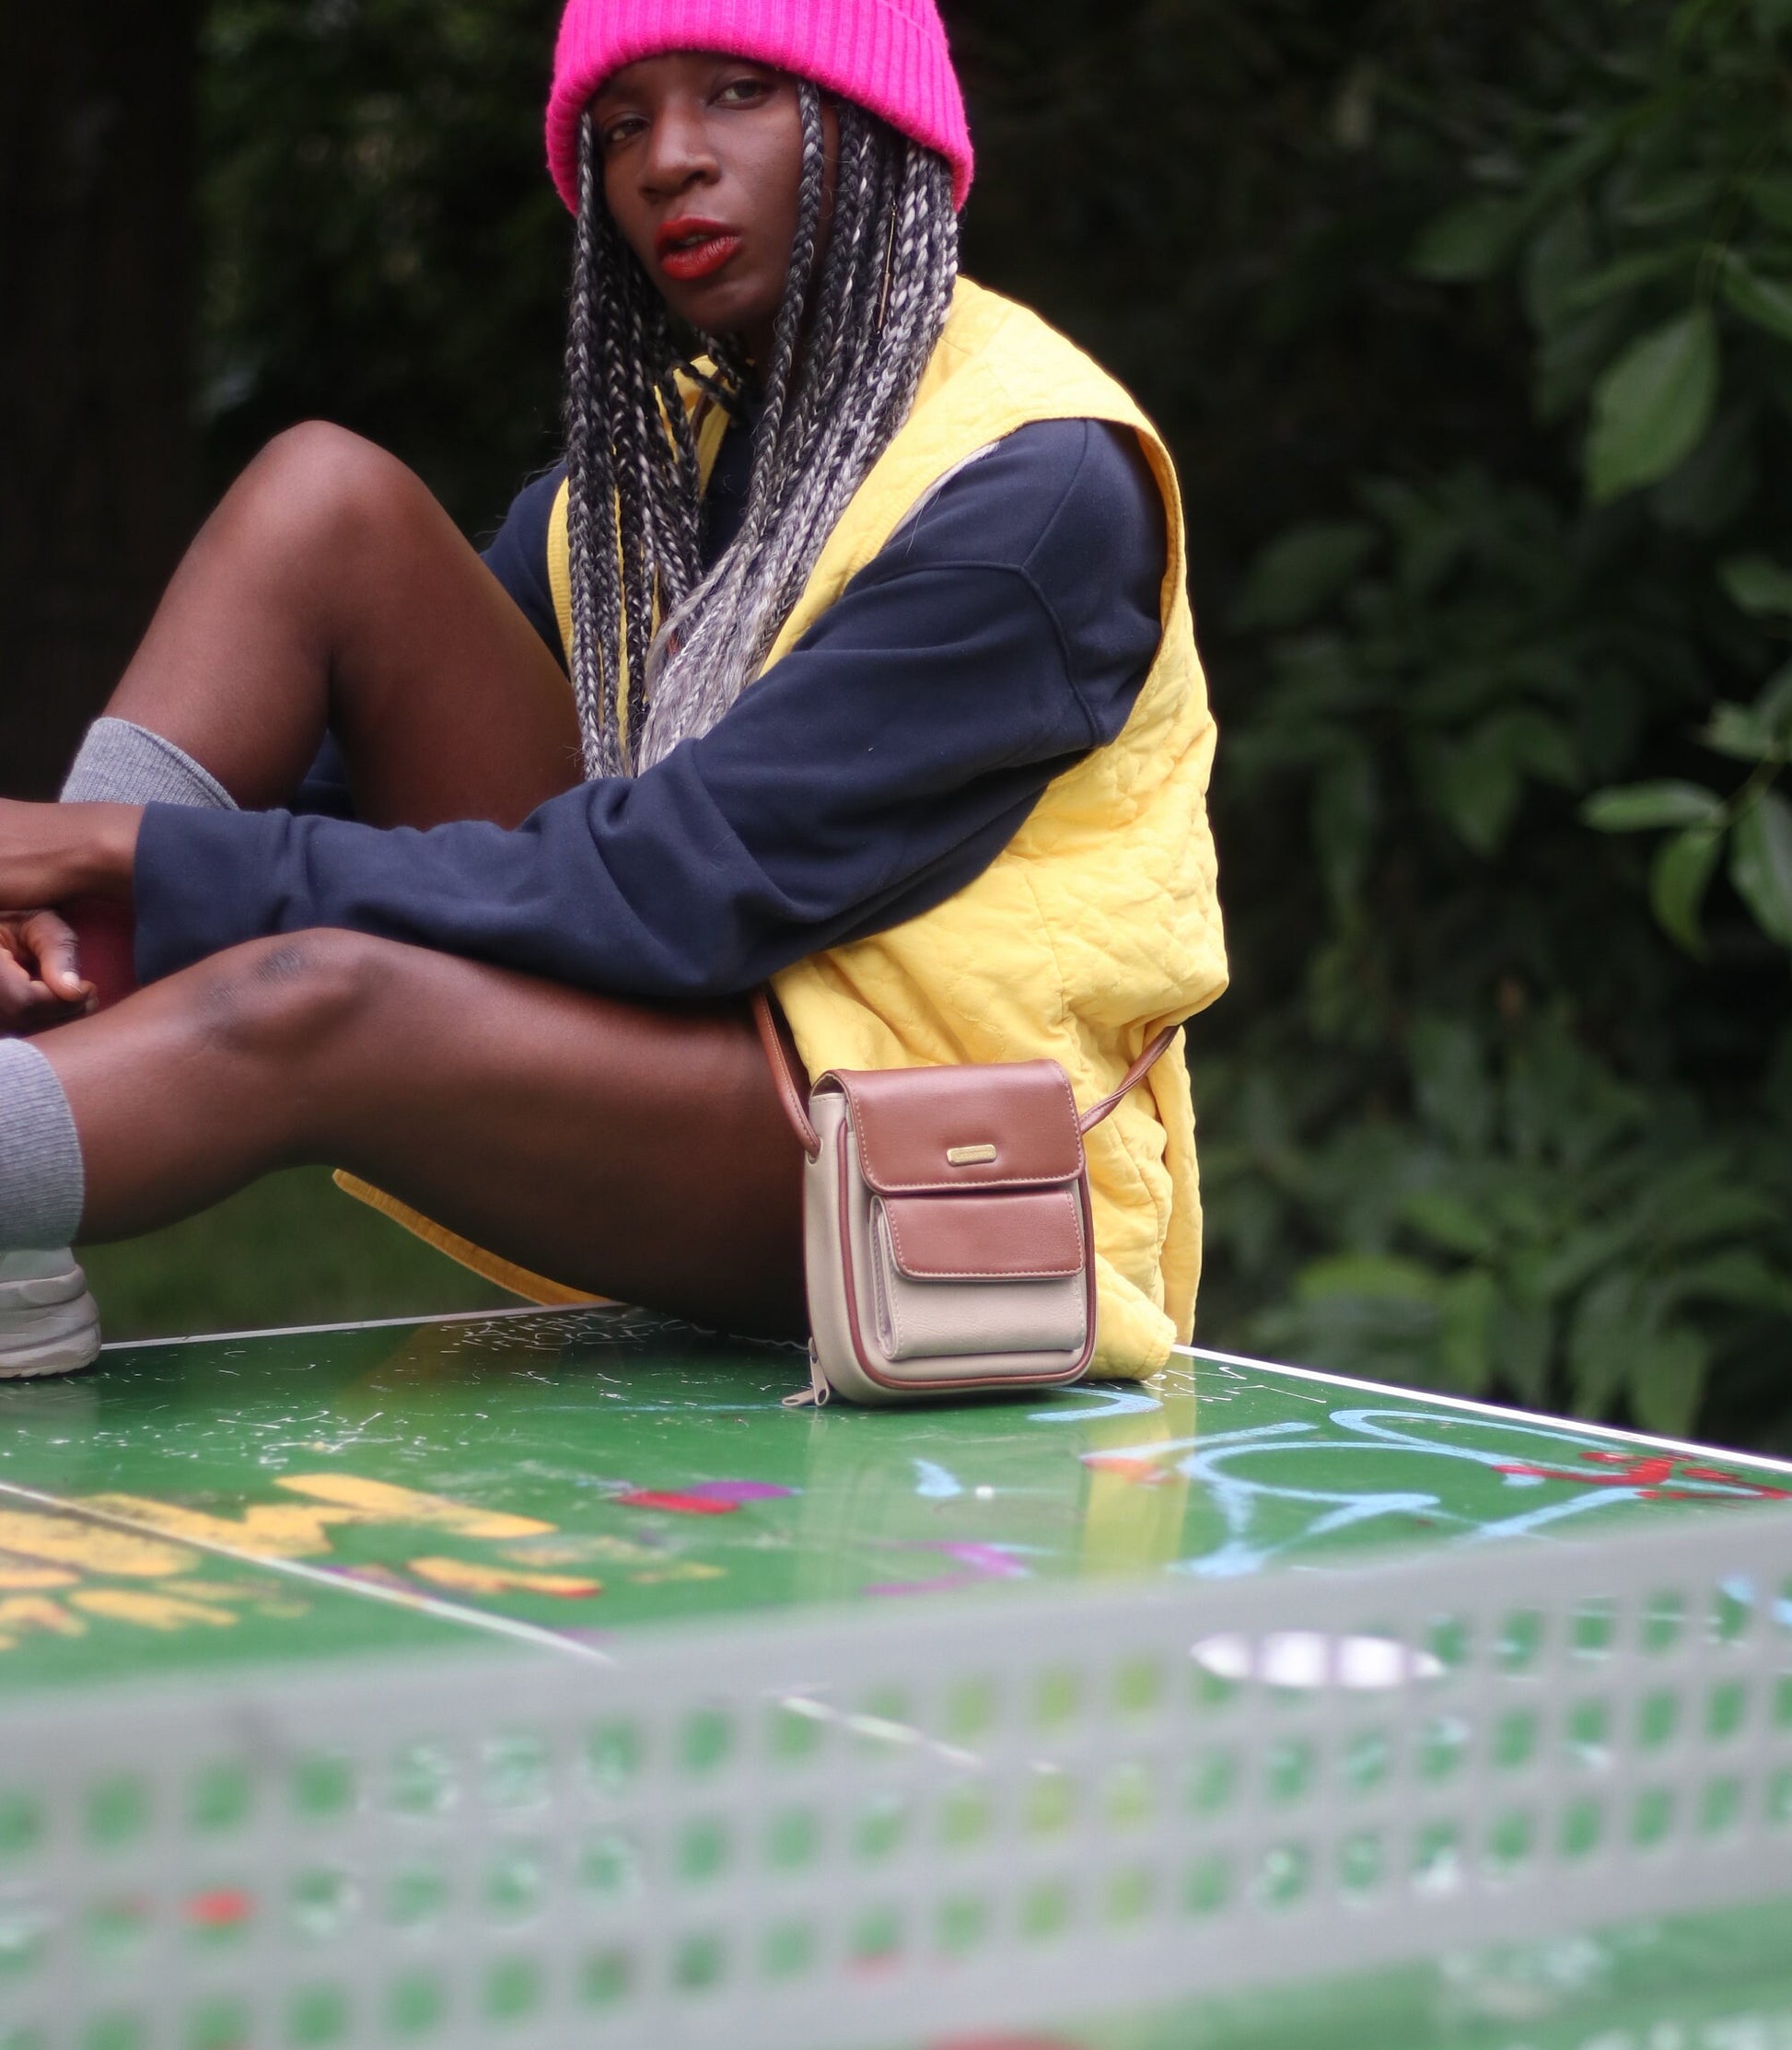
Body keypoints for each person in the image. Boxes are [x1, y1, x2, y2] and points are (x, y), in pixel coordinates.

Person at [0, 0, 1227, 1385]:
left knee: (323, 994)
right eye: (624, 123)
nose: (667, 163)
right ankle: (24, 1061)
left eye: (739, 93)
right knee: (323, 495)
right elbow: (336, 817)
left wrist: (116, 845)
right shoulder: (651, 480)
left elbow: (673, 895)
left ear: (876, 124)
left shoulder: (1034, 488)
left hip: (899, 1164)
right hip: (677, 1046)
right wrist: (96, 899)